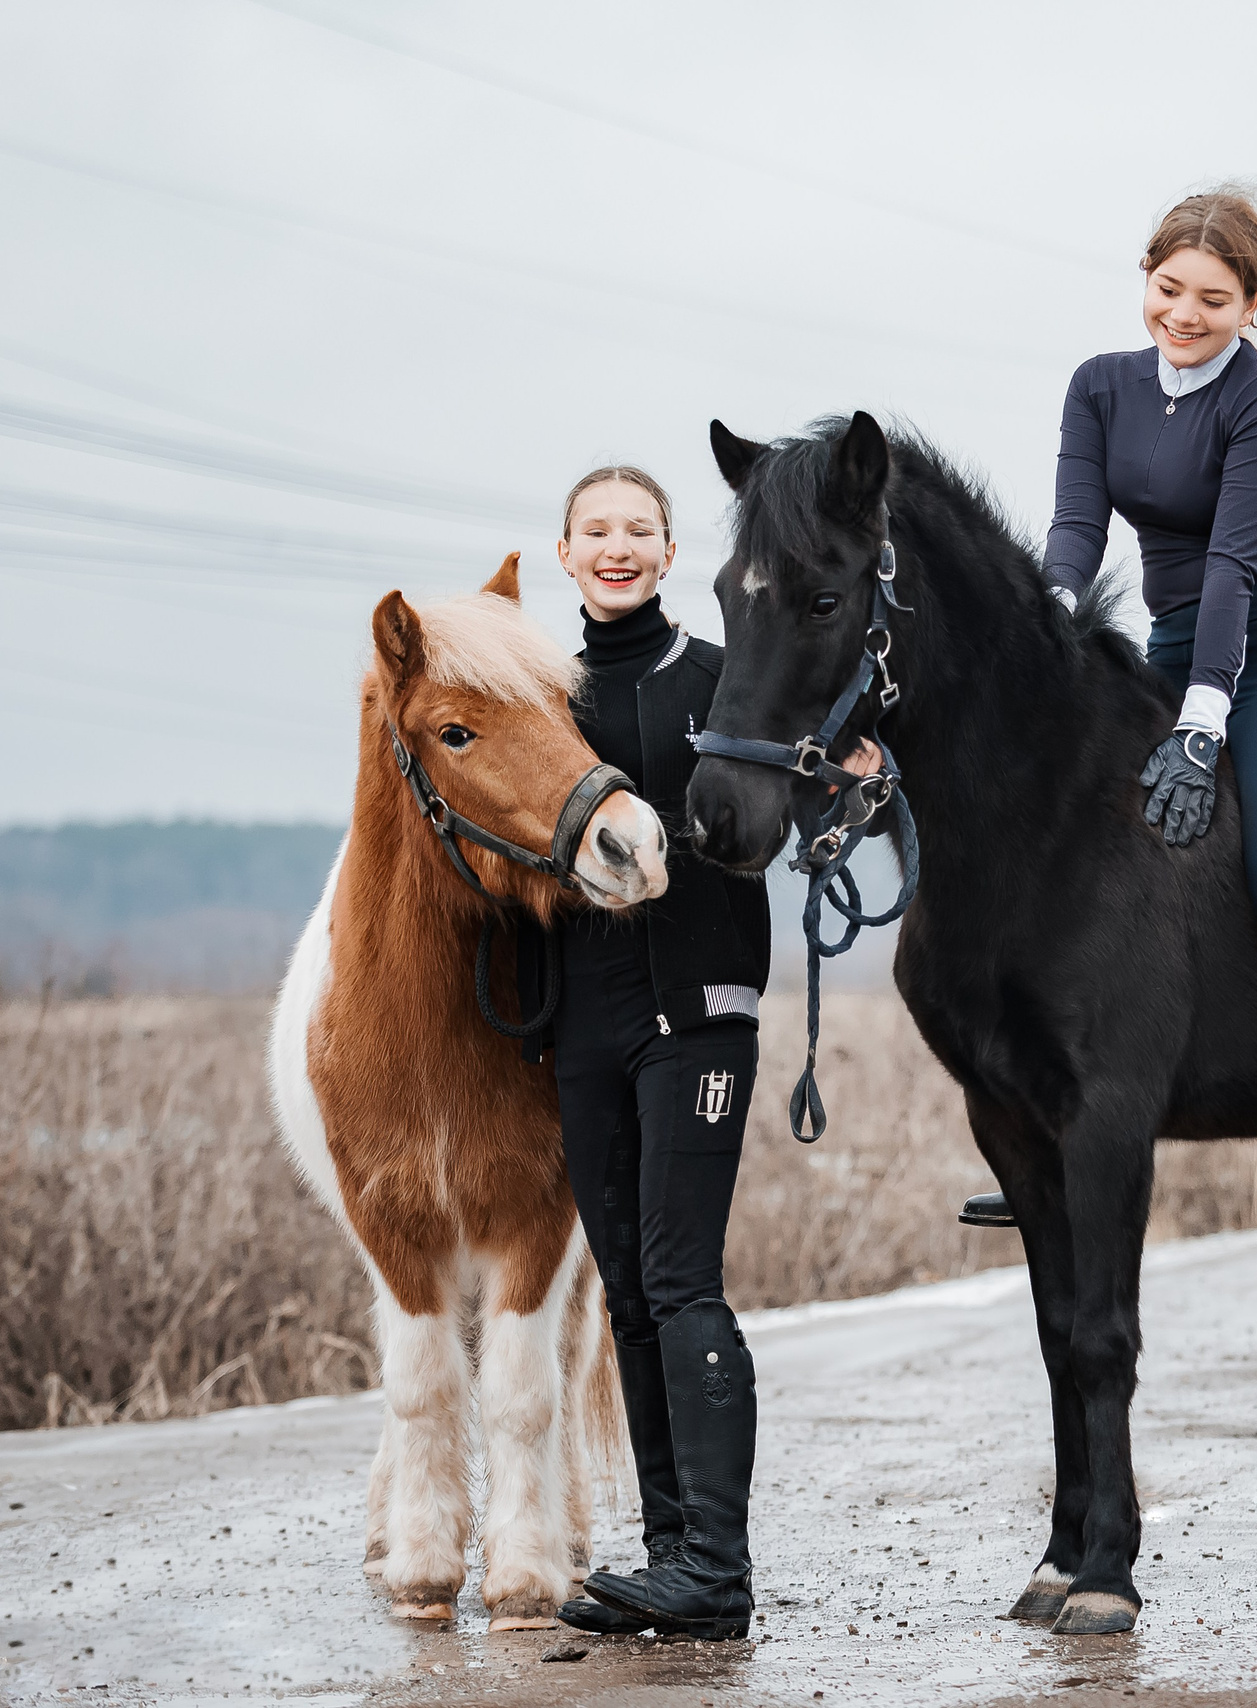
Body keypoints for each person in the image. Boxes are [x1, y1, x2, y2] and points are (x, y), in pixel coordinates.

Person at [957, 186, 1257, 1240]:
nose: (1185, 315)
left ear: (1253, 304)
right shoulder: (1100, 387)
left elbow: (1233, 571)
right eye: (1169, 289)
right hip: (1170, 646)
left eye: (1214, 298)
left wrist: (1201, 723)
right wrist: (1041, 636)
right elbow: (1075, 535)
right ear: (1146, 279)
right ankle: (1048, 1126)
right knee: (1058, 846)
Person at [546, 467, 774, 1640]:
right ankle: (672, 1557)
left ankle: (717, 1572)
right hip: (584, 1024)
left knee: (683, 1280)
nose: (617, 545)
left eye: (638, 528)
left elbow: (776, 812)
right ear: (565, 551)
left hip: (699, 1015)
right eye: (596, 530)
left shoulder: (721, 675)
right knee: (629, 1290)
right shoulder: (544, 696)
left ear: (669, 551)